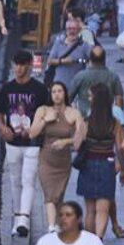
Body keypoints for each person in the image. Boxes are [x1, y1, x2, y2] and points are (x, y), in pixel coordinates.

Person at [0, 50, 47, 239]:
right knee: (15, 180)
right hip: (13, 141)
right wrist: (2, 129)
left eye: (22, 65)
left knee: (28, 179)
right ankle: (18, 217)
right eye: (16, 64)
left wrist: (37, 130)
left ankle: (24, 218)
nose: (18, 68)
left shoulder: (40, 90)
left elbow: (46, 114)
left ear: (30, 66)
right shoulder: (7, 89)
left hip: (32, 141)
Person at [32, 79, 88, 229]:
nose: (57, 95)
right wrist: (45, 120)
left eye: (60, 91)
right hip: (46, 159)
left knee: (58, 196)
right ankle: (51, 227)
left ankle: (57, 226)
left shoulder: (73, 113)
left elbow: (80, 138)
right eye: (54, 92)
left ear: (65, 94)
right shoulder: (43, 110)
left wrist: (66, 141)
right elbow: (32, 133)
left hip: (63, 161)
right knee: (49, 194)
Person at [76, 82, 124, 241]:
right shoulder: (114, 123)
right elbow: (120, 148)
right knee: (103, 209)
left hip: (88, 164)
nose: (89, 98)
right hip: (107, 165)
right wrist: (123, 170)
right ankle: (98, 240)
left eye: (91, 96)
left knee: (90, 210)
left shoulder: (86, 121)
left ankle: (90, 242)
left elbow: (77, 145)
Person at [68, 43, 122, 117]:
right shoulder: (113, 77)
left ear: (90, 59)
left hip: (84, 117)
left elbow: (68, 97)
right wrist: (118, 115)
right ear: (104, 59)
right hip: (107, 117)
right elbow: (119, 99)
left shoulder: (80, 76)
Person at [45, 14, 93, 95]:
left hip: (77, 87)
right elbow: (49, 61)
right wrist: (62, 61)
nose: (71, 31)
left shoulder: (84, 45)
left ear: (79, 30)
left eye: (74, 29)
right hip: (59, 87)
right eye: (69, 29)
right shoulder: (59, 43)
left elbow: (93, 60)